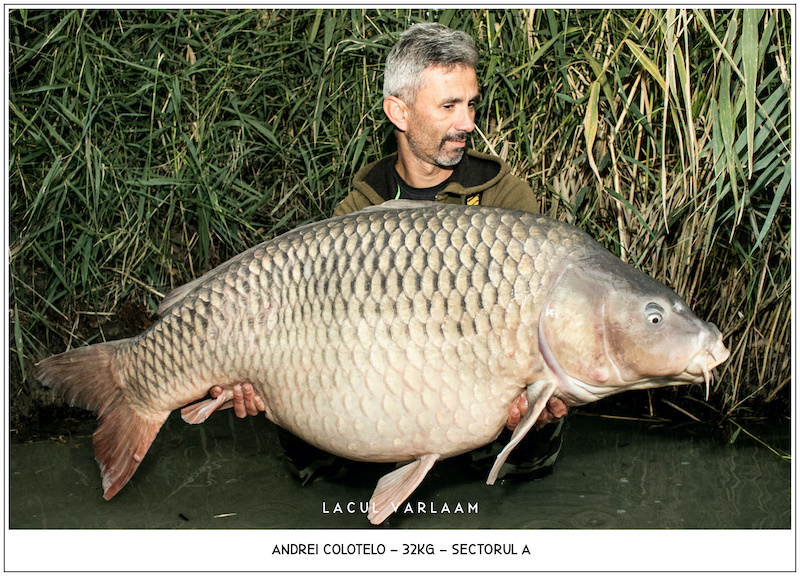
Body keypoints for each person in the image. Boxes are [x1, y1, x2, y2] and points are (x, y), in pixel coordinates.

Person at [209, 22, 567, 485]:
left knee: (548, 404)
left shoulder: (505, 200)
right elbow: (315, 337)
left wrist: (531, 393)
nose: (468, 123)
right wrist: (262, 377)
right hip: (378, 397)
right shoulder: (357, 210)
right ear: (398, 111)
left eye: (471, 103)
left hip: (475, 402)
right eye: (448, 106)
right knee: (289, 386)